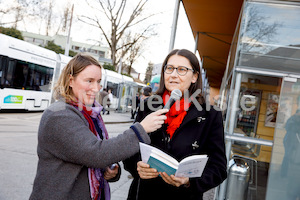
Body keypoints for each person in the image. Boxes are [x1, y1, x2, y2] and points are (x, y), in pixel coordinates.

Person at [29, 53, 168, 200]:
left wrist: (111, 170)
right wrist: (141, 129)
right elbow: (95, 153)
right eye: (89, 81)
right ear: (71, 80)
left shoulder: (90, 112)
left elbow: (101, 152)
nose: (96, 88)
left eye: (98, 81)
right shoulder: (58, 115)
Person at [123, 49, 227, 200]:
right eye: (169, 68)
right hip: (144, 194)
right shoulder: (148, 106)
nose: (173, 74)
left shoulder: (210, 115)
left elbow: (219, 168)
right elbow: (128, 149)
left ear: (194, 77)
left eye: (182, 70)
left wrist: (189, 181)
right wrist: (136, 166)